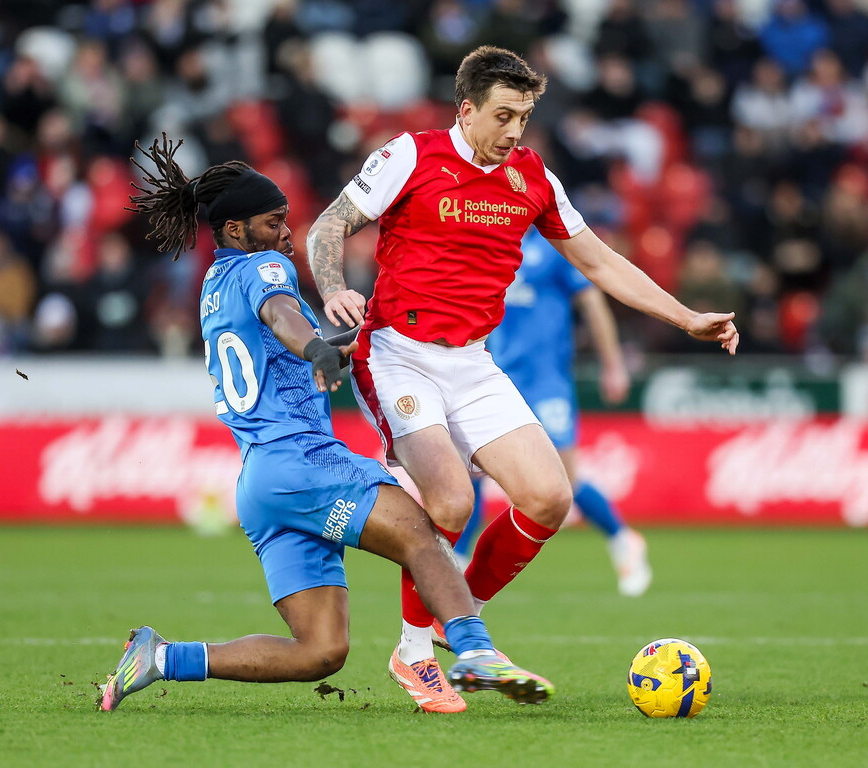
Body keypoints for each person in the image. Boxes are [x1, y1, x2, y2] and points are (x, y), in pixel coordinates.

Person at [305, 46, 739, 713]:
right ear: (467, 108)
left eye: (525, 118)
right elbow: (330, 224)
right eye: (503, 116)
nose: (514, 132)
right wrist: (334, 290)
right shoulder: (411, 156)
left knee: (548, 498)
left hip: (473, 362)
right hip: (397, 352)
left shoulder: (534, 177)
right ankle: (418, 652)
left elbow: (599, 263)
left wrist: (686, 318)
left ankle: (462, 617)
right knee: (449, 502)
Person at [98, 134, 554, 714]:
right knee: (424, 531)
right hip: (303, 462)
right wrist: (315, 345)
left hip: (261, 484)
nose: (286, 234)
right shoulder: (262, 268)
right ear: (236, 230)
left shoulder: (214, 285)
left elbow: (279, 337)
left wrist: (338, 344)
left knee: (320, 651)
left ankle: (161, 658)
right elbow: (281, 314)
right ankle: (471, 650)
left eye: (286, 221)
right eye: (273, 222)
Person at [455, 226, 652, 597]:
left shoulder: (554, 245)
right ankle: (458, 563)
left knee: (565, 478)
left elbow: (592, 302)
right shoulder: (489, 242)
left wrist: (613, 365)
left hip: (546, 380)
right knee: (472, 470)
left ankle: (623, 538)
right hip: (493, 375)